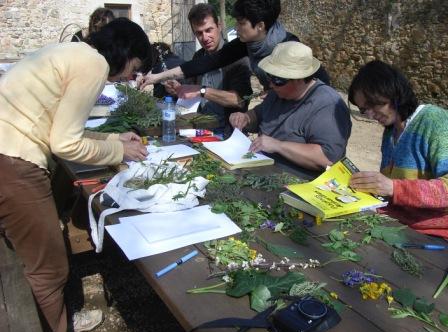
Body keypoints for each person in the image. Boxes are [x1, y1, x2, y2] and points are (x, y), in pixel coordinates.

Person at [0, 18, 151, 332]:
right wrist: (118, 154)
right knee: (50, 269)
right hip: (13, 159)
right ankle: (53, 328)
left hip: (9, 149)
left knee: (41, 255)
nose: (128, 77)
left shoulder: (75, 53)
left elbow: (64, 129)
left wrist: (114, 140)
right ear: (123, 53)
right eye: (133, 68)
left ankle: (55, 318)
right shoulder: (94, 65)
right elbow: (65, 144)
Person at [348, 60, 448, 239]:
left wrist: (394, 188)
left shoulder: (434, 121)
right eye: (364, 109)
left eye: (373, 105)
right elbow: (390, 191)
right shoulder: (390, 133)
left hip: (432, 235)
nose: (370, 115)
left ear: (393, 93)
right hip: (397, 226)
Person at [139, 0, 330, 92]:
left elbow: (303, 87)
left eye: (241, 23)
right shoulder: (246, 44)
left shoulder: (288, 47)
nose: (236, 28)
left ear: (260, 25)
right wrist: (157, 77)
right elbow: (206, 63)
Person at [229, 41, 351, 179]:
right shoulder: (278, 93)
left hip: (301, 183)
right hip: (263, 172)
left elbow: (328, 158)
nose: (271, 84)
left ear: (299, 79)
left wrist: (278, 146)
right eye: (270, 76)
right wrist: (245, 118)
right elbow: (259, 114)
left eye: (277, 79)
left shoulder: (327, 105)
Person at [164, 3, 252, 135]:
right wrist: (178, 89)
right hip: (199, 132)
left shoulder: (237, 58)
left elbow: (240, 100)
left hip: (228, 136)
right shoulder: (198, 56)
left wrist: (203, 91)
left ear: (219, 26)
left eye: (208, 30)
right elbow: (192, 91)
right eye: (199, 33)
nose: (205, 38)